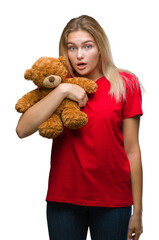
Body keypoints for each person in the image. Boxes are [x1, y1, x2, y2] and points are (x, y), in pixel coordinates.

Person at [16, 15, 143, 240]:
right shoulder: (54, 85)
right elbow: (22, 129)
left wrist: (138, 211)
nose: (79, 55)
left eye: (87, 46)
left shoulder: (125, 84)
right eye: (72, 48)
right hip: (64, 199)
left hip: (113, 200)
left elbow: (132, 150)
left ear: (100, 47)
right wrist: (63, 90)